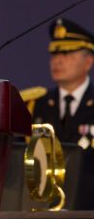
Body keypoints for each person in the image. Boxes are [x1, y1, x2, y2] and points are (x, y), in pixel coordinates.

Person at [32, 18, 94, 146]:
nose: (57, 61)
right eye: (54, 54)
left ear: (88, 62)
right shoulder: (35, 105)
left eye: (66, 53)